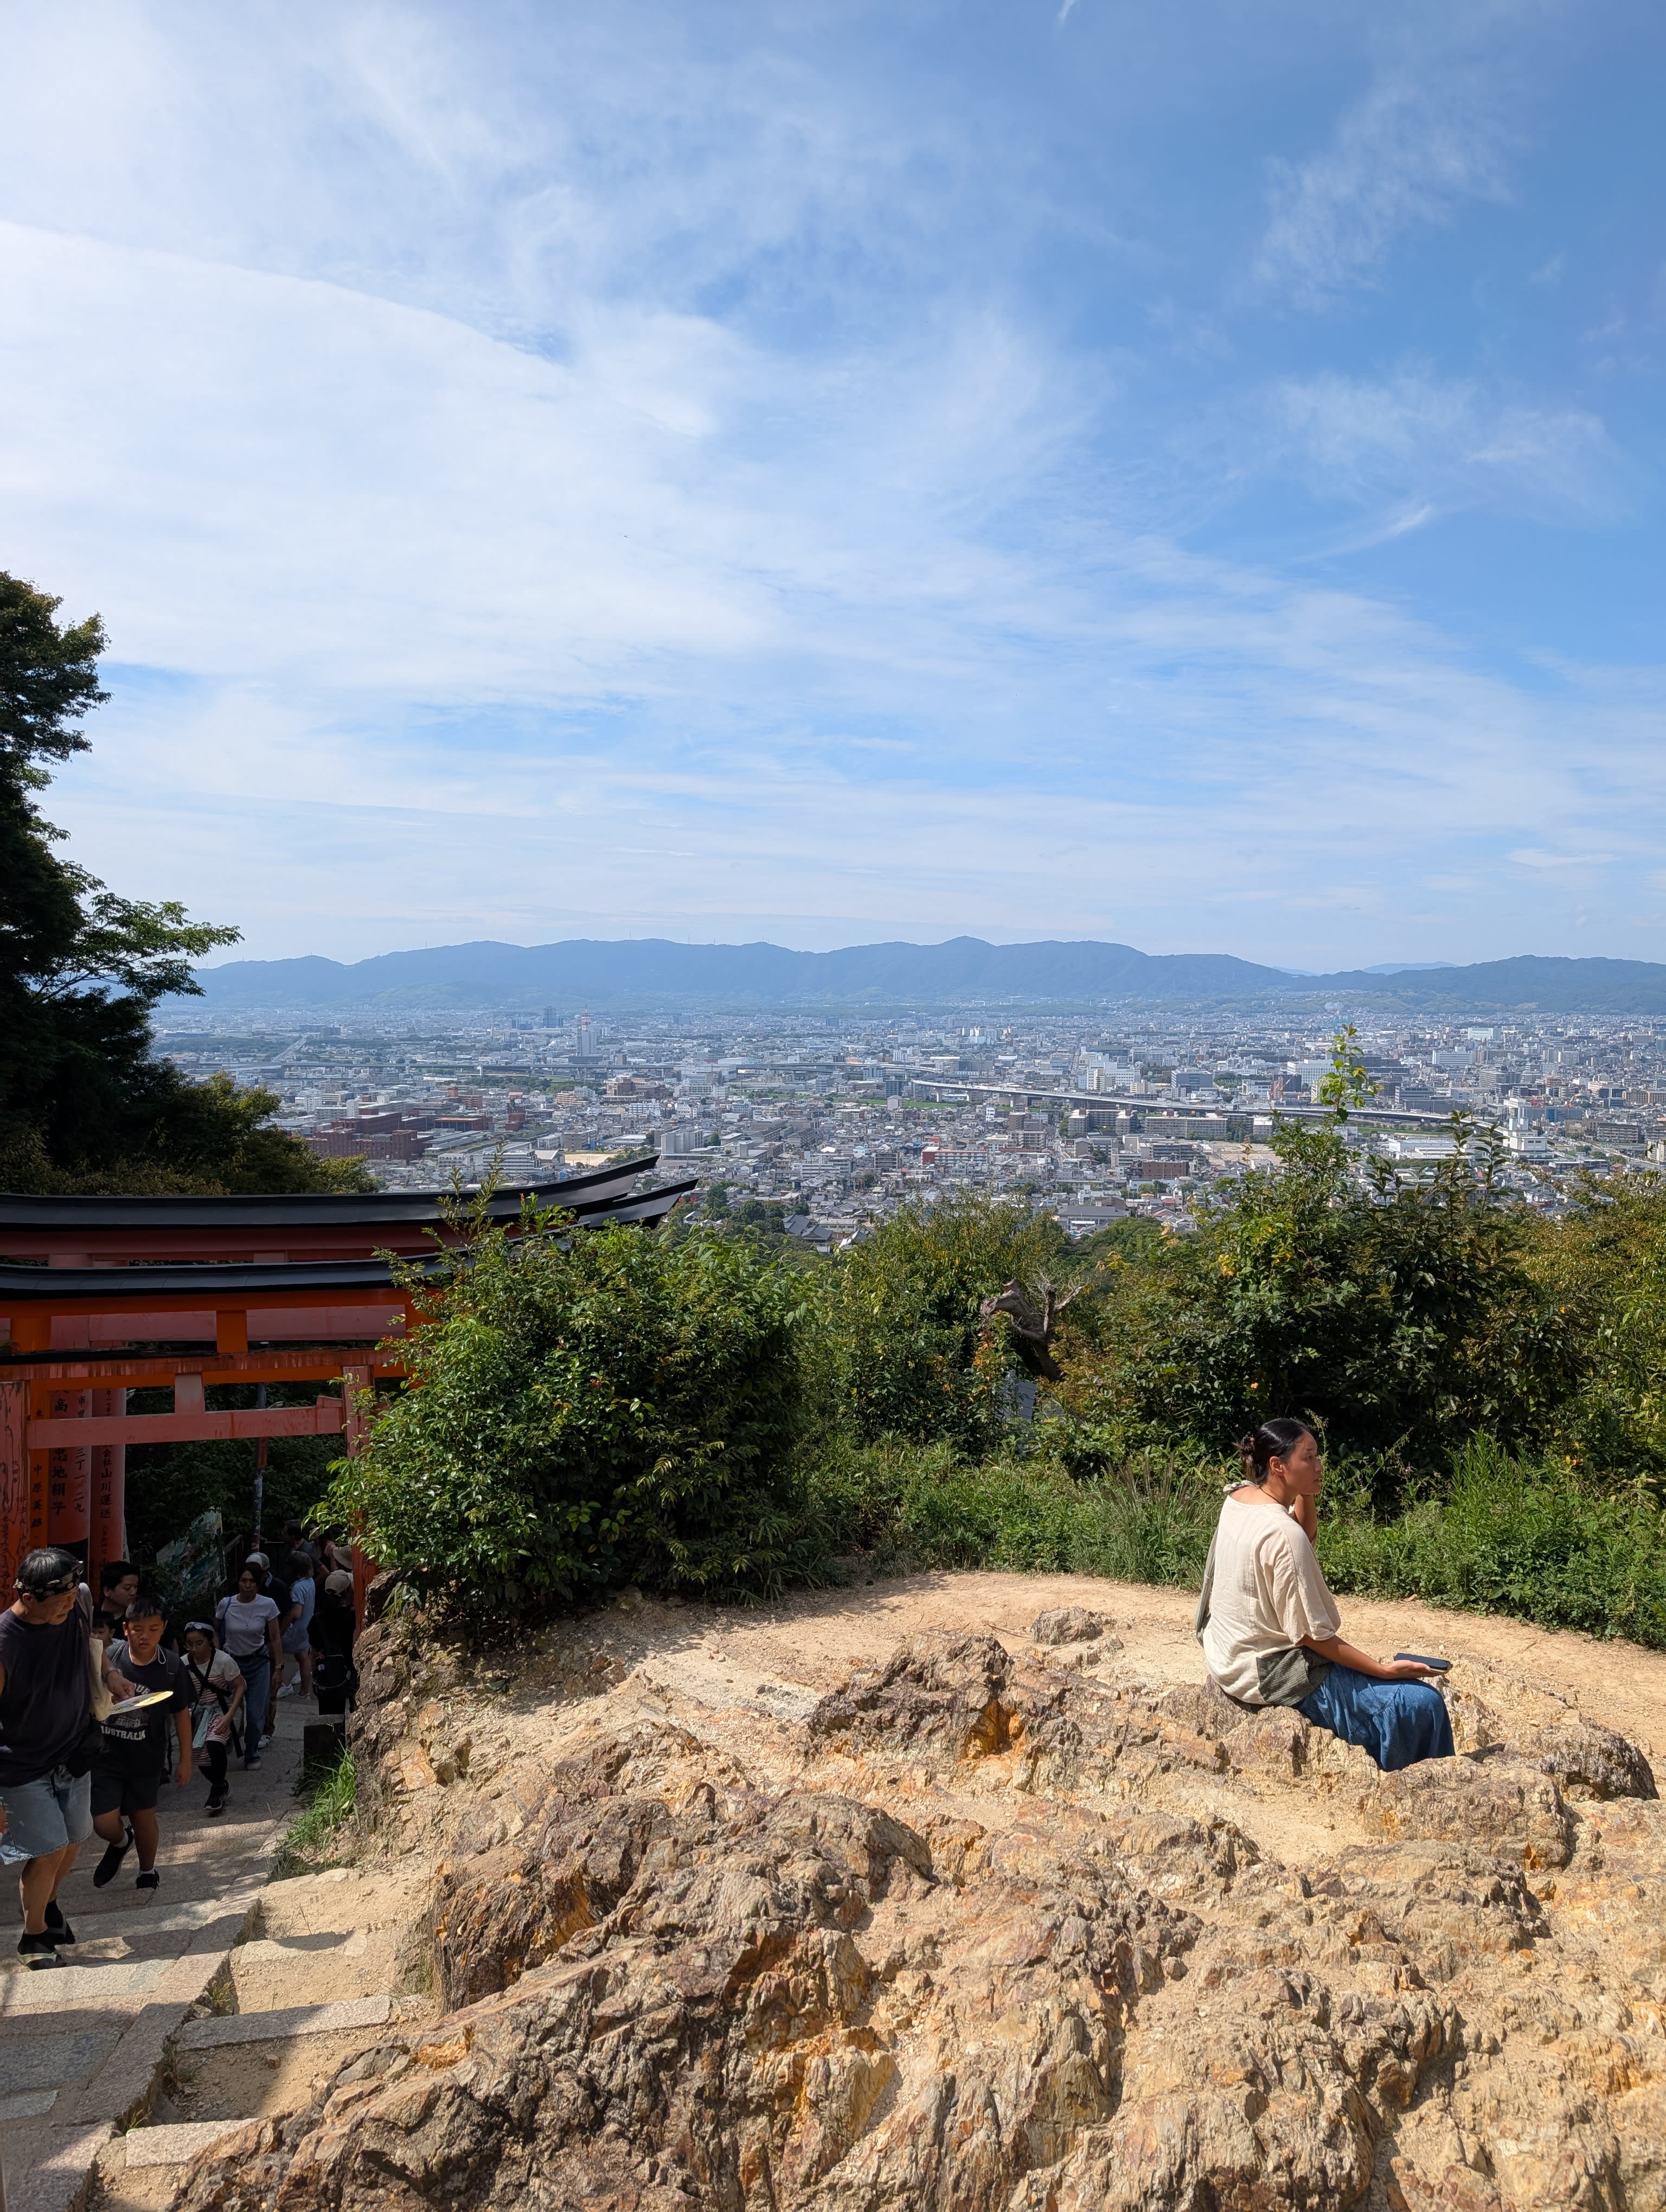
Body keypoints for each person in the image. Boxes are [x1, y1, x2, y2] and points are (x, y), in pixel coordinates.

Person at [1196, 1417, 1454, 1771]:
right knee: (1420, 1704)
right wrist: (1383, 1670)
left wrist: (1304, 1489)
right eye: (1310, 1458)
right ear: (1278, 1465)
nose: (1320, 1467)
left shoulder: (1240, 1498)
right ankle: (1420, 1788)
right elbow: (1311, 1636)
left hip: (1227, 1656)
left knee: (1406, 1698)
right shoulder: (1281, 1535)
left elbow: (1303, 1532)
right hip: (1264, 1672)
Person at [0, 1548, 99, 1967]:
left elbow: (88, 1647)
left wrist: (110, 1676)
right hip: (21, 1764)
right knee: (49, 1848)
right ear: (28, 1596)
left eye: (70, 1599)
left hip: (73, 1748)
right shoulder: (5, 1642)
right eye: (57, 1604)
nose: (67, 1608)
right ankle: (34, 1936)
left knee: (75, 1836)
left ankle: (50, 1907)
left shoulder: (79, 1601)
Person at [91, 1592, 193, 1891]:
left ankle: (147, 1870)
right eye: (137, 1629)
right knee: (102, 1820)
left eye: (153, 1629)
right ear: (125, 1629)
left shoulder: (172, 1666)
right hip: (106, 1756)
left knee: (143, 1814)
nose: (145, 1636)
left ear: (163, 1628)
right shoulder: (112, 1659)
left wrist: (186, 1761)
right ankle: (122, 1841)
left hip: (146, 1757)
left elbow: (181, 1715)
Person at [215, 1562, 282, 1768]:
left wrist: (279, 1667)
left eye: (252, 1581)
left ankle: (251, 1752)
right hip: (231, 1663)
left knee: (255, 1714)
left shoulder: (268, 1605)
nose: (247, 1585)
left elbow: (275, 1637)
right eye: (244, 1581)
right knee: (228, 1711)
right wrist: (218, 1657)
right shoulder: (226, 1604)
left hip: (258, 1662)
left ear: (258, 1583)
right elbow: (214, 1632)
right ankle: (222, 1745)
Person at [181, 1622, 245, 1815]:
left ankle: (217, 1790)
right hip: (199, 1713)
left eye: (199, 1643)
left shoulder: (224, 1661)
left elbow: (241, 1686)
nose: (194, 1649)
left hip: (221, 1709)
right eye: (190, 1644)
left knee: (214, 1743)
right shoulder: (183, 1663)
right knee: (199, 1756)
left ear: (210, 1641)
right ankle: (220, 1785)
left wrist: (230, 1715)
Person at [274, 1547, 317, 1702]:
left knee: (273, 1652)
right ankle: (305, 1691)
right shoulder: (310, 1581)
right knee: (303, 1657)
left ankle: (284, 1684)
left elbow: (296, 1612)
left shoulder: (298, 1587)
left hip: (296, 1629)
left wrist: (285, 1625)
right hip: (306, 1627)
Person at [94, 1561, 139, 1642]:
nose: (133, 1592)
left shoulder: (136, 1619)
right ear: (107, 1590)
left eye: (135, 1587)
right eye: (127, 1588)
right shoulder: (90, 1615)